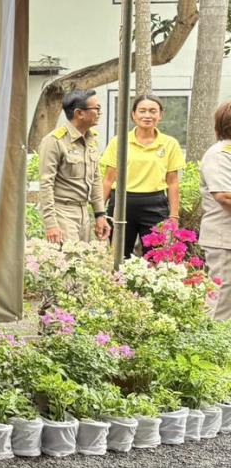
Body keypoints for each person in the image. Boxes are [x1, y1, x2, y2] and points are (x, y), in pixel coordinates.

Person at [101, 95, 184, 258]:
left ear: (160, 115)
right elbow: (108, 180)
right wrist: (99, 213)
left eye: (153, 111)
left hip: (155, 204)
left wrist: (174, 216)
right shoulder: (119, 141)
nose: (147, 115)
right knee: (118, 257)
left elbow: (173, 182)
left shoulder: (170, 143)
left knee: (157, 257)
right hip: (122, 204)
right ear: (133, 114)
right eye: (142, 111)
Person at [36, 90, 109, 244]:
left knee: (85, 257)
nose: (99, 113)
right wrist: (51, 224)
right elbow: (46, 184)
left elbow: (96, 179)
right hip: (62, 212)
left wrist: (100, 214)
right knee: (70, 257)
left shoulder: (91, 139)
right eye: (96, 108)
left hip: (84, 213)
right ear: (79, 113)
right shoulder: (54, 141)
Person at [197, 101, 231, 320]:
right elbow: (224, 196)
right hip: (224, 239)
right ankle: (210, 338)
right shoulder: (219, 154)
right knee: (221, 299)